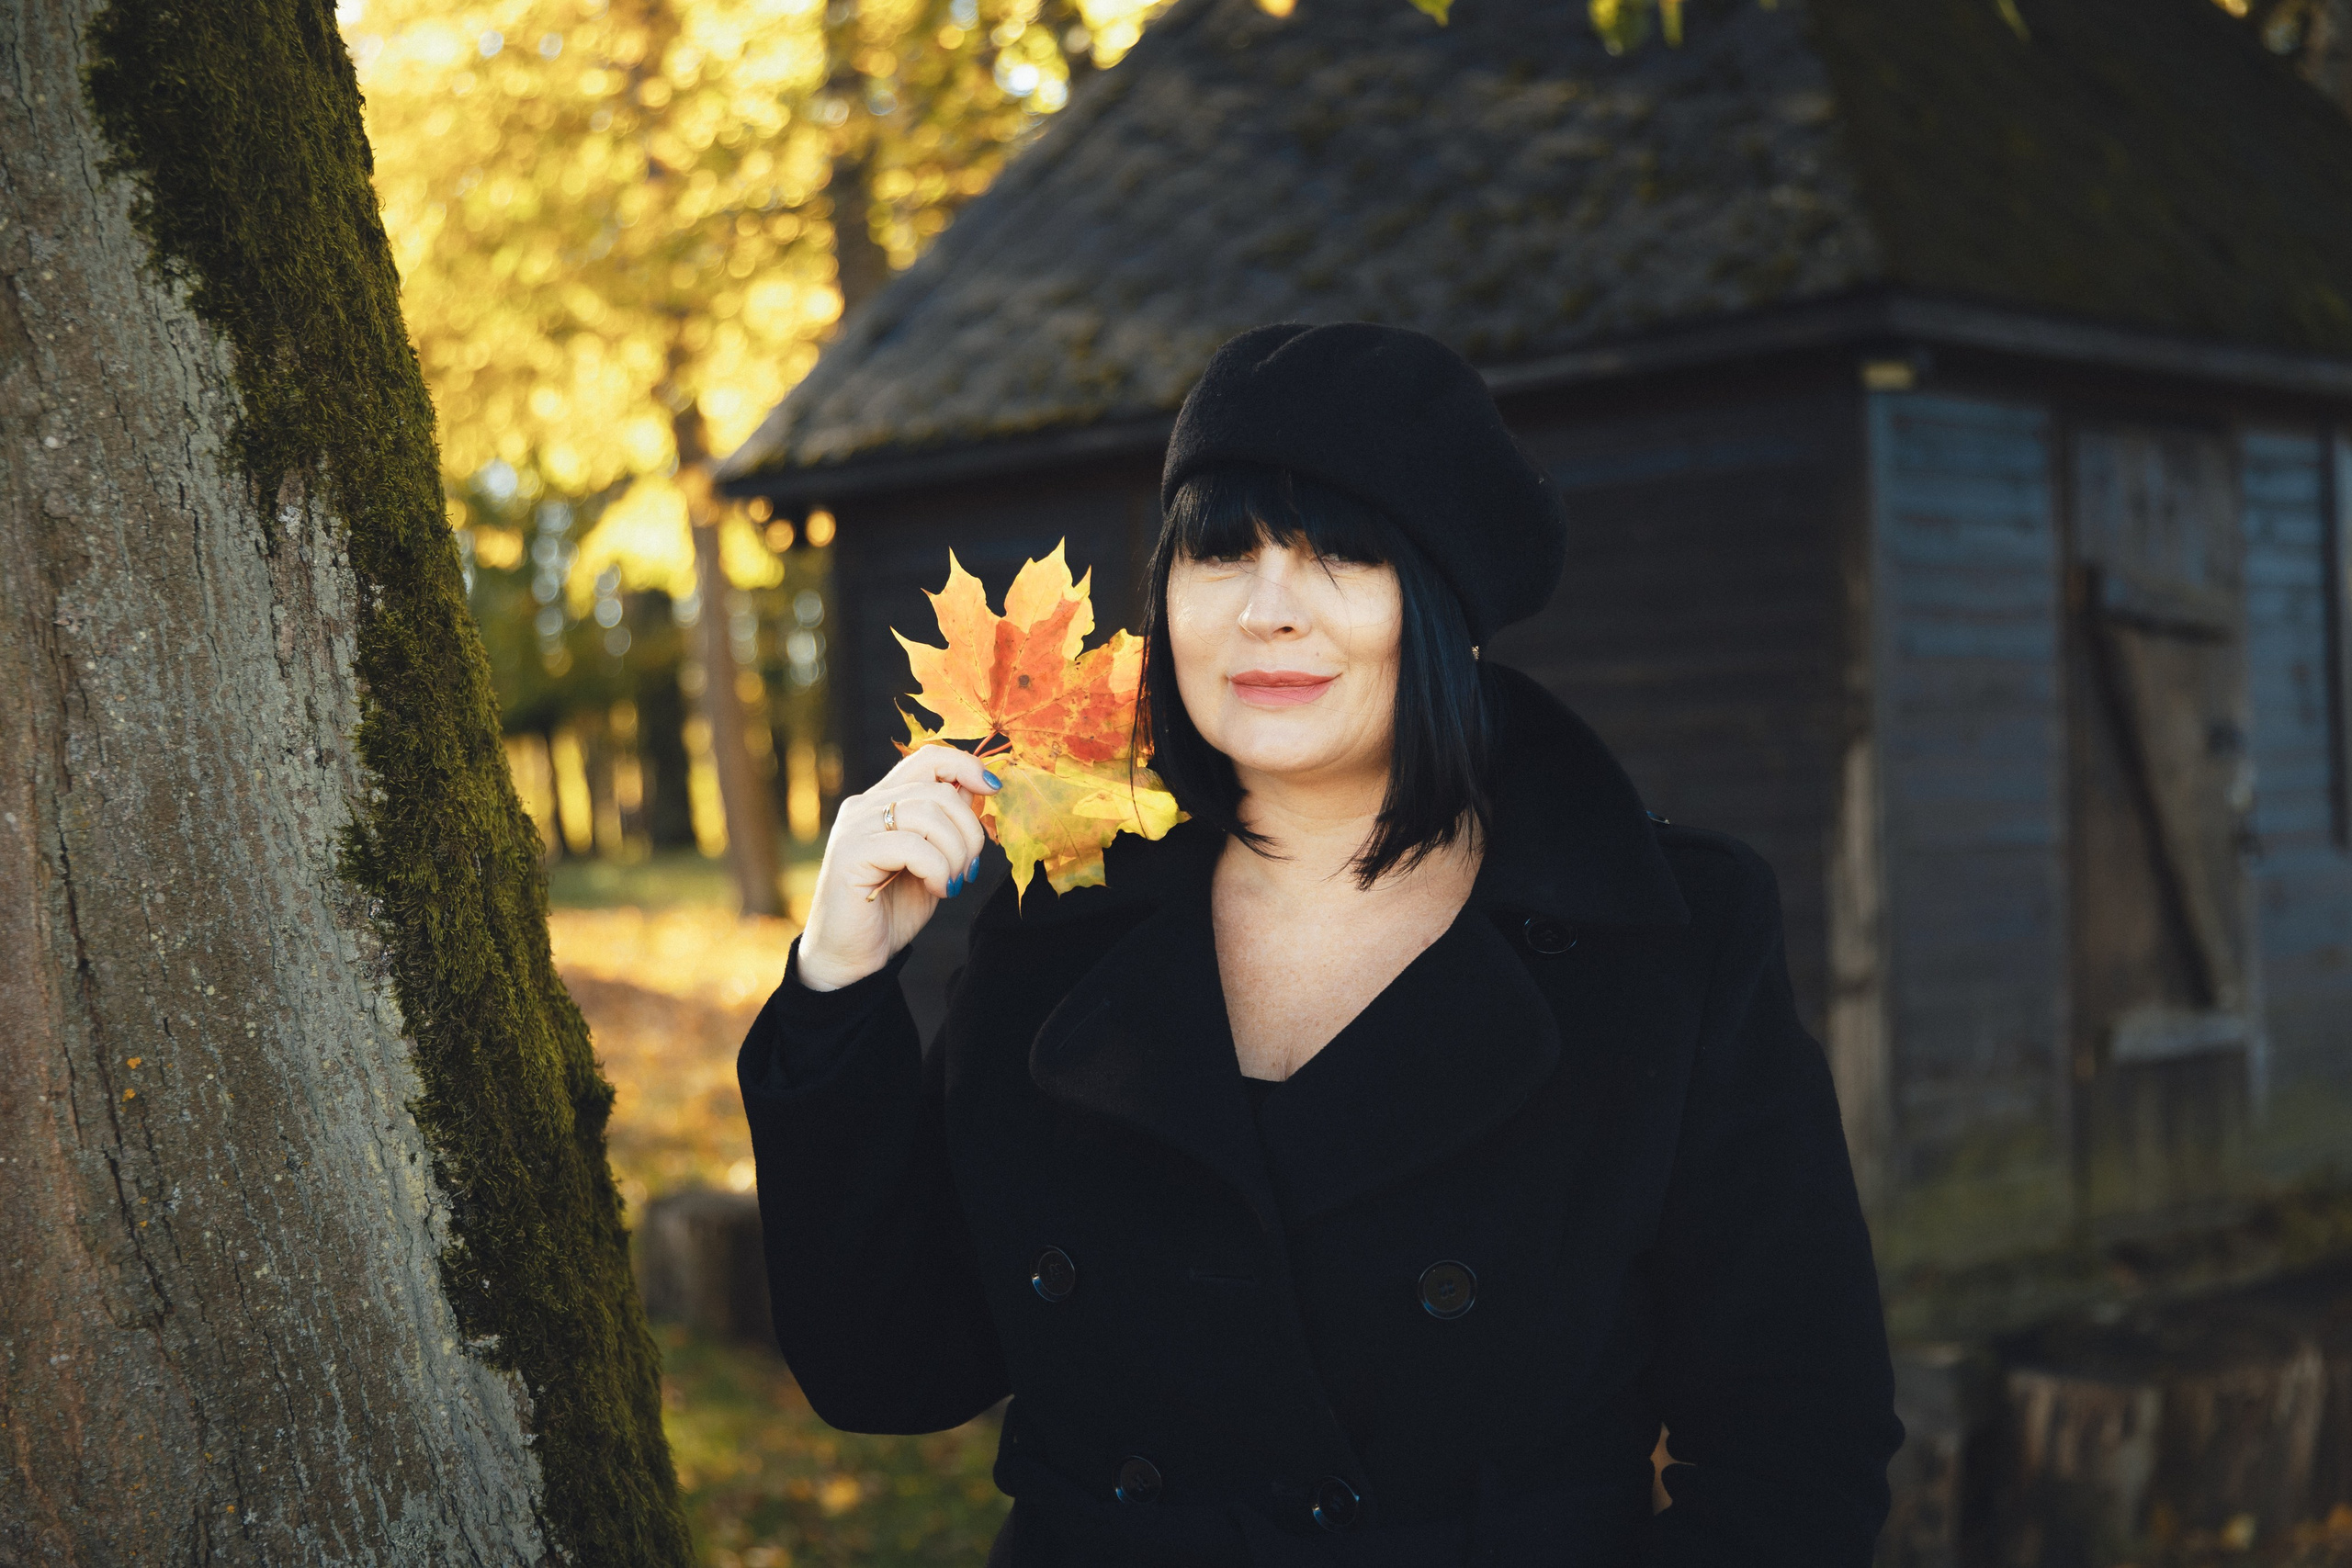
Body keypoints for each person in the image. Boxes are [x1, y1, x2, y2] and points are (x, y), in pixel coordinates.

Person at [738, 321, 1904, 1567]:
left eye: (1341, 555)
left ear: (1447, 605)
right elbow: (887, 1370)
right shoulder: (1064, 919)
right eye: (1221, 554)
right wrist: (837, 986)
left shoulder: (1666, 943)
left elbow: (1797, 1454)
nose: (1268, 612)